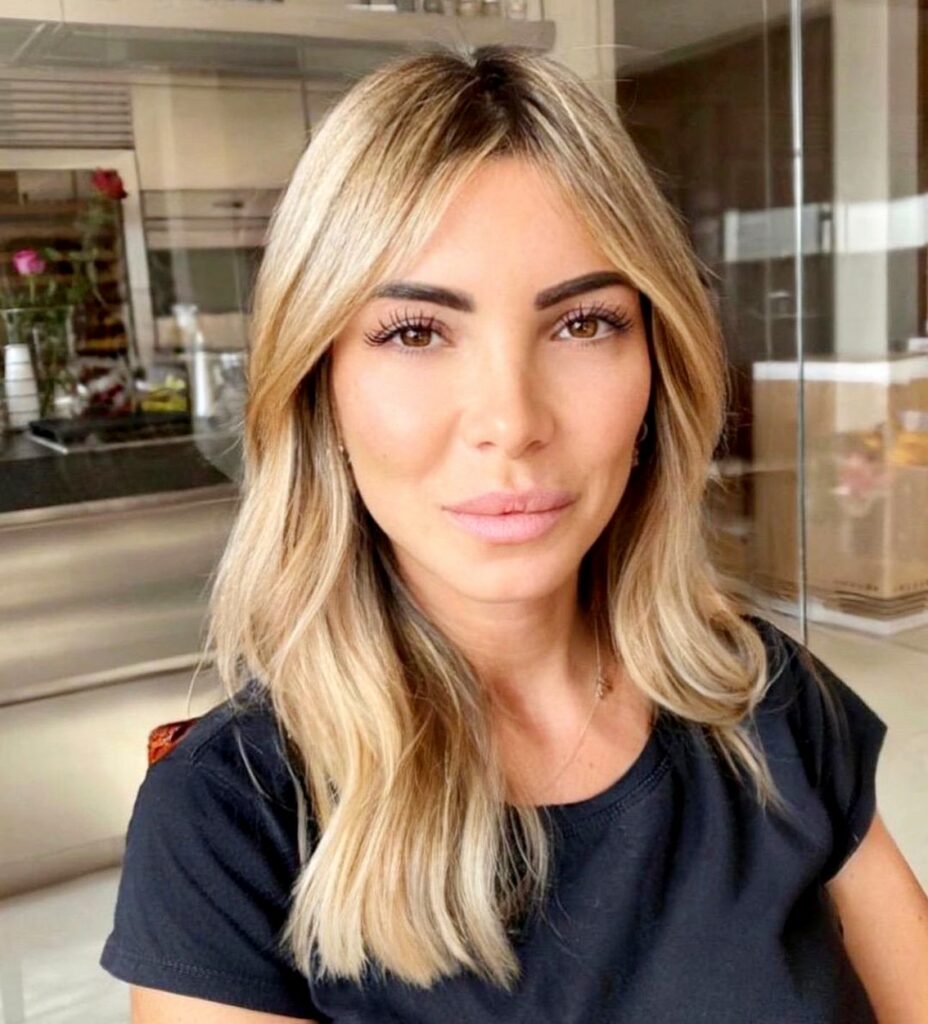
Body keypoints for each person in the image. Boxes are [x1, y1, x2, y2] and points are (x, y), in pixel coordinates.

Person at [99, 44, 928, 1024]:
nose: (513, 420)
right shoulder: (228, 819)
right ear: (320, 388)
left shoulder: (769, 700)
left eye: (582, 323)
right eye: (414, 331)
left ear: (658, 368)